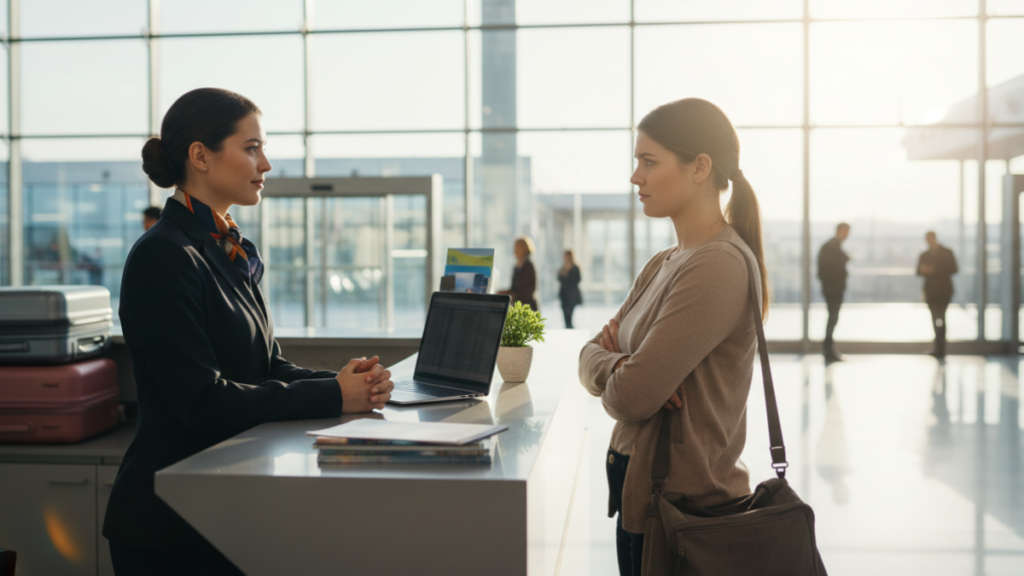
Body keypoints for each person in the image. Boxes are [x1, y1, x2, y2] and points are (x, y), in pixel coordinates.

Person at [103, 88, 395, 576]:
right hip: (171, 527)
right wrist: (332, 395)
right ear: (200, 156)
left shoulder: (226, 245)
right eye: (252, 148)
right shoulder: (163, 255)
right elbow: (201, 401)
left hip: (227, 508)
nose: (267, 163)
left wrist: (348, 383)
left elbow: (266, 366)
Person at [578, 98, 767, 575]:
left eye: (649, 161)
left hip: (686, 513)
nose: (634, 176)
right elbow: (590, 354)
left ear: (700, 167)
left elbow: (633, 397)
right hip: (642, 499)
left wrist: (626, 368)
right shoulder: (664, 262)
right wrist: (621, 364)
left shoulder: (717, 264)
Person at [917, 231, 958, 358]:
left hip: (944, 290)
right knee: (935, 318)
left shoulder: (946, 252)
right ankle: (937, 347)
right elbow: (918, 271)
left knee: (941, 317)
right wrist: (925, 270)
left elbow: (954, 268)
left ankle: (941, 348)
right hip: (930, 291)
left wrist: (936, 269)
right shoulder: (924, 255)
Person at [818, 223, 850, 362]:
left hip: (832, 287)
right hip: (833, 288)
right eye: (846, 232)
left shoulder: (831, 246)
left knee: (833, 318)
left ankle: (829, 350)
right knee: (832, 318)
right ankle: (828, 351)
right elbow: (828, 268)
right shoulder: (832, 247)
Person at [498, 236, 539, 312]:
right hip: (518, 306)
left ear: (524, 248)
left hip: (528, 307)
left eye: (517, 247)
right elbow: (514, 287)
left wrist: (512, 294)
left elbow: (529, 290)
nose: (514, 250)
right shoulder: (517, 266)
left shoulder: (528, 265)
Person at [557, 249, 582, 328]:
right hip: (564, 296)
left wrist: (566, 275)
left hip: (572, 296)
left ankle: (570, 331)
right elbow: (559, 279)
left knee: (569, 316)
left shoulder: (575, 268)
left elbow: (577, 280)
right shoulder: (563, 267)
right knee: (565, 317)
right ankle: (568, 330)